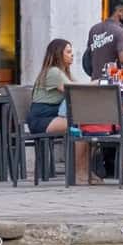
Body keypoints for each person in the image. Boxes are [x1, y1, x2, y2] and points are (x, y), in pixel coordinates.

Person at [28, 38, 100, 185]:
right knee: (81, 128)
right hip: (42, 118)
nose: (72, 55)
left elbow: (78, 87)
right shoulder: (53, 72)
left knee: (90, 127)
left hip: (54, 115)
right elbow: (74, 90)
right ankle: (78, 172)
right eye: (68, 52)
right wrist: (98, 83)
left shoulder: (64, 72)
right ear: (58, 54)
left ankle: (85, 170)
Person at [86, 0, 123, 80]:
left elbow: (88, 58)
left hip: (95, 82)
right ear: (120, 11)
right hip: (113, 83)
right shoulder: (121, 32)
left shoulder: (94, 29)